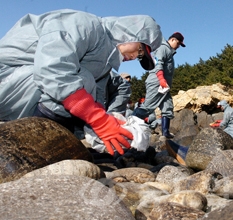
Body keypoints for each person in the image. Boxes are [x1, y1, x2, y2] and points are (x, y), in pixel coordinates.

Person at [0, 9, 163, 156]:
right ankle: (36, 145)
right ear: (130, 31)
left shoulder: (104, 64)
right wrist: (98, 120)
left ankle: (48, 143)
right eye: (140, 49)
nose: (135, 56)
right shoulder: (85, 25)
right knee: (80, 80)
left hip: (25, 89)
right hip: (7, 75)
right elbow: (51, 68)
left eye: (140, 56)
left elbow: (95, 102)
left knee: (84, 93)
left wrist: (112, 129)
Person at [132, 32, 186, 138]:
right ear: (173, 40)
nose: (178, 46)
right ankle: (130, 128)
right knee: (148, 107)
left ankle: (165, 132)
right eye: (178, 43)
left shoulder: (170, 52)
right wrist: (161, 78)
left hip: (164, 86)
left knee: (167, 107)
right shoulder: (163, 48)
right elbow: (158, 63)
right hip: (157, 82)